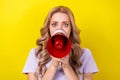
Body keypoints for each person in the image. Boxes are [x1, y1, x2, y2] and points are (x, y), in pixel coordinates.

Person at [22, 6, 98, 80]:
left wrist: (66, 66)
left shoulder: (85, 54)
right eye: (54, 24)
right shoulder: (35, 55)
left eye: (65, 24)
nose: (59, 29)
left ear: (71, 29)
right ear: (49, 28)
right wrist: (54, 65)